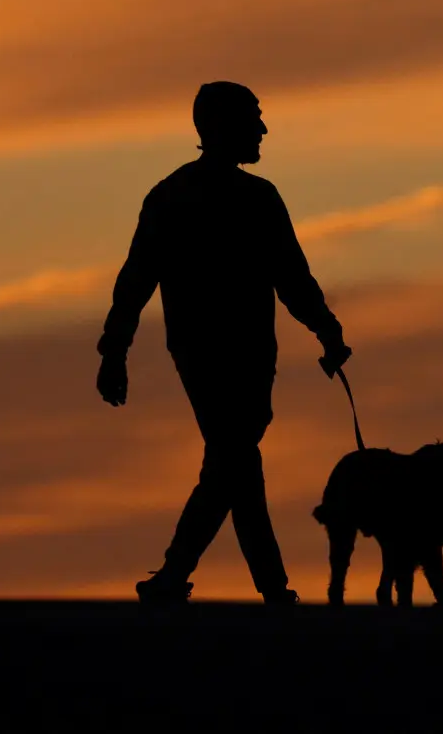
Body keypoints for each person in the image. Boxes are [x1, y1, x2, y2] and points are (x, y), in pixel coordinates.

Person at [96, 81, 353, 605]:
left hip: (245, 354)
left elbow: (291, 277)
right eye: (253, 118)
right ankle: (237, 583)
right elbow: (137, 279)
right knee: (235, 457)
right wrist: (113, 351)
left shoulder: (243, 198)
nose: (262, 129)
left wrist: (326, 329)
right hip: (211, 354)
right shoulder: (182, 198)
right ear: (218, 126)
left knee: (234, 462)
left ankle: (202, 582)